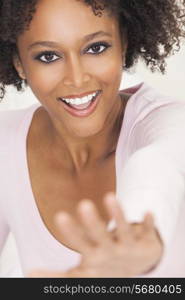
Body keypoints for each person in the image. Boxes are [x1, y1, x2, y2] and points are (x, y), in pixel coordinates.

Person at [0, 0, 185, 278]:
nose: (76, 79)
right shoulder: (6, 144)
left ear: (122, 42)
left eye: (96, 48)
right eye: (48, 56)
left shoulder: (168, 122)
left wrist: (138, 233)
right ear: (19, 63)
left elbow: (158, 167)